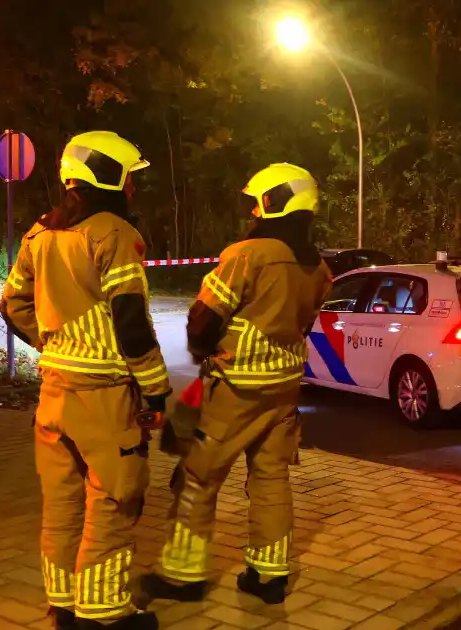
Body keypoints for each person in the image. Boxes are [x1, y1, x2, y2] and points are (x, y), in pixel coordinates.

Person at [140, 163, 332, 606]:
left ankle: (182, 576)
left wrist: (201, 351)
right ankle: (270, 575)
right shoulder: (317, 266)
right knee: (270, 477)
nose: (252, 210)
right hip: (284, 388)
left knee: (196, 476)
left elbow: (205, 318)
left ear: (271, 201)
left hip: (235, 387)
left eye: (255, 201)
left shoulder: (247, 254)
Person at [1, 131, 170, 630]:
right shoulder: (113, 232)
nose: (135, 188)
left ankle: (64, 606)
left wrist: (58, 343)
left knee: (61, 504)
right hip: (104, 400)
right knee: (114, 501)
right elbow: (132, 323)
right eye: (131, 177)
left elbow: (13, 305)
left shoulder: (38, 233)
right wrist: (157, 389)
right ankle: (105, 614)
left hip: (53, 394)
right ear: (109, 175)